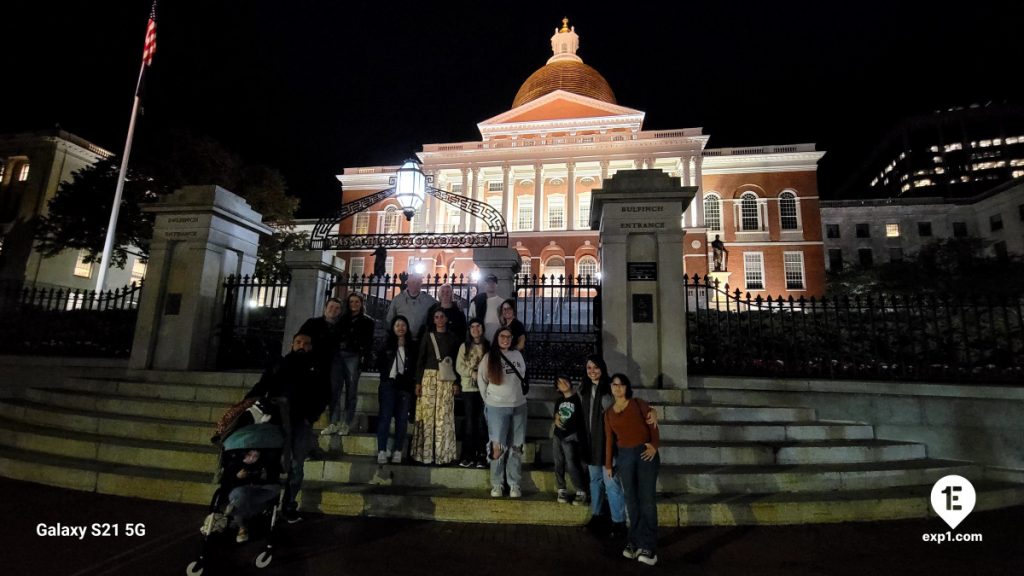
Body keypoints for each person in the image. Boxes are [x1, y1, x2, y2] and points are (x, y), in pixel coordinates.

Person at [243, 332, 327, 524]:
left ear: (311, 347)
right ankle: (267, 505)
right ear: (291, 344)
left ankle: (289, 505)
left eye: (306, 343)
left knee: (296, 465)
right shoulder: (279, 364)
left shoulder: (316, 368)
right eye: (298, 342)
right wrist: (246, 403)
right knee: (271, 462)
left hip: (300, 422)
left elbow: (322, 395)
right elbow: (263, 385)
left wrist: (310, 417)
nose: (301, 346)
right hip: (276, 420)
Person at [605, 373, 661, 567]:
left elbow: (652, 425)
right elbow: (609, 440)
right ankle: (635, 541)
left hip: (644, 452)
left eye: (621, 385)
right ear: (611, 387)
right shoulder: (609, 413)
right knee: (631, 500)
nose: (617, 388)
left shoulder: (638, 403)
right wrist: (609, 465)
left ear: (627, 387)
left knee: (647, 500)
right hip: (624, 456)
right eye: (614, 385)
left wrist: (654, 445)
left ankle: (649, 546)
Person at [578, 354, 626, 535]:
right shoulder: (583, 388)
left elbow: (623, 408)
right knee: (595, 481)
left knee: (611, 482)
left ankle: (618, 522)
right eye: (589, 368)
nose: (592, 371)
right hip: (591, 443)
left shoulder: (610, 386)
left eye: (595, 367)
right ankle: (597, 516)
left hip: (608, 443)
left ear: (602, 368)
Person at [477, 326, 527, 498]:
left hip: (519, 405)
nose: (505, 339)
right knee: (497, 446)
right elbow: (482, 380)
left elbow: (521, 376)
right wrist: (489, 400)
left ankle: (514, 483)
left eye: (508, 336)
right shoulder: (489, 357)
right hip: (496, 407)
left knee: (516, 446)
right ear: (497, 338)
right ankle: (497, 484)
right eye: (502, 336)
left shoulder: (518, 355)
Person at [319, 292, 375, 436]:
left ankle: (346, 422)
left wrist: (364, 360)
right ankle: (334, 422)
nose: (354, 305)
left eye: (357, 302)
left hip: (354, 356)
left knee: (351, 391)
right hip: (338, 355)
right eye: (351, 302)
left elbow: (368, 343)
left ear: (362, 304)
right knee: (335, 390)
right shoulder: (342, 319)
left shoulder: (367, 321)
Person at [410, 308, 460, 465]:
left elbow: (457, 362)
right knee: (427, 416)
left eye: (441, 317)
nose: (439, 319)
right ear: (433, 320)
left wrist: (456, 382)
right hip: (429, 378)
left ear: (446, 319)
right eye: (436, 317)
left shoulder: (453, 338)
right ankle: (425, 453)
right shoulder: (427, 336)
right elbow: (421, 359)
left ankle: (442, 454)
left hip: (446, 379)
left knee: (443, 417)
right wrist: (418, 382)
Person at [375, 315, 418, 464]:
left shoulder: (412, 346)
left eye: (403, 325)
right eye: (397, 325)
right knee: (385, 417)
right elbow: (378, 361)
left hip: (405, 386)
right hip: (388, 384)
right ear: (393, 328)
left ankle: (398, 450)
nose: (400, 328)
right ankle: (382, 449)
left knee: (402, 419)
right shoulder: (386, 344)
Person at [224, 448, 280, 543]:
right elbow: (227, 484)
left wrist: (263, 477)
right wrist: (237, 477)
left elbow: (271, 482)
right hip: (240, 492)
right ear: (244, 454)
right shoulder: (235, 464)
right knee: (241, 495)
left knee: (274, 489)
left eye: (255, 456)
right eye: (249, 455)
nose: (252, 458)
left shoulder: (263, 465)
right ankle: (242, 527)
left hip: (257, 493)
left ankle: (235, 512)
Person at [455, 318, 489, 468]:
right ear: (469, 330)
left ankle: (481, 455)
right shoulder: (464, 346)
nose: (475, 329)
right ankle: (468, 455)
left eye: (478, 326)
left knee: (482, 423)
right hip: (468, 389)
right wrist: (471, 372)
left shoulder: (487, 346)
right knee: (469, 422)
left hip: (484, 390)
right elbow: (459, 366)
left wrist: (481, 374)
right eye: (472, 327)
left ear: (482, 328)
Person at [551, 374, 587, 505]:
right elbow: (557, 413)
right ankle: (561, 489)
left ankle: (580, 490)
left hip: (571, 436)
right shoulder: (559, 401)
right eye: (559, 382)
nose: (563, 383)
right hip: (558, 435)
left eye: (565, 380)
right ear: (557, 389)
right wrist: (555, 417)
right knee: (558, 462)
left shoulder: (578, 399)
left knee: (572, 463)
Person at [386, 273, 438, 340]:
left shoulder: (429, 301)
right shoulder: (397, 300)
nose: (415, 285)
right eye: (413, 282)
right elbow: (390, 319)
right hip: (402, 338)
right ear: (408, 283)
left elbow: (438, 310)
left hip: (422, 339)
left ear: (421, 284)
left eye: (418, 283)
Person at [468, 273, 505, 341]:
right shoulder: (476, 302)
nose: (491, 284)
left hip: (497, 338)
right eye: (489, 282)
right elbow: (471, 321)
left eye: (493, 282)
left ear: (496, 284)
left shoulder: (502, 302)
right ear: (485, 284)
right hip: (480, 338)